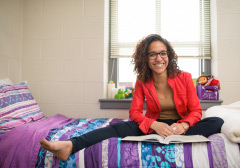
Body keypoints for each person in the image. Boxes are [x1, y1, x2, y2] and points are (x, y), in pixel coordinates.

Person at [40, 34, 224, 161]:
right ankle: (70, 146)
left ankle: (173, 135)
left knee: (216, 121)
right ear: (145, 58)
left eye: (162, 53)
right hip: (154, 125)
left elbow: (196, 111)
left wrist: (183, 125)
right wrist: (155, 125)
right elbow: (135, 112)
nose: (159, 58)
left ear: (169, 56)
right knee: (119, 127)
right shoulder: (142, 80)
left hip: (180, 124)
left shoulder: (184, 77)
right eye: (153, 54)